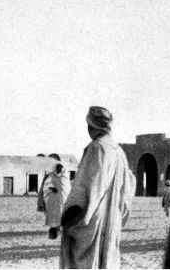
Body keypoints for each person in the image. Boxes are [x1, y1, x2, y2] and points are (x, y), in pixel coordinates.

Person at [60, 106, 136, 269]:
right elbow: (128, 192)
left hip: (93, 224)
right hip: (112, 221)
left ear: (92, 126)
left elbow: (85, 189)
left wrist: (69, 217)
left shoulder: (97, 148)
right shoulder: (119, 152)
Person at [40, 163, 71, 239]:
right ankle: (54, 230)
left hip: (63, 200)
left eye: (60, 168)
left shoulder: (65, 178)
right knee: (54, 214)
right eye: (58, 167)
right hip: (53, 199)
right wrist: (51, 188)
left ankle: (60, 228)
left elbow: (68, 189)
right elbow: (46, 186)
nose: (59, 169)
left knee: (62, 213)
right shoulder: (51, 176)